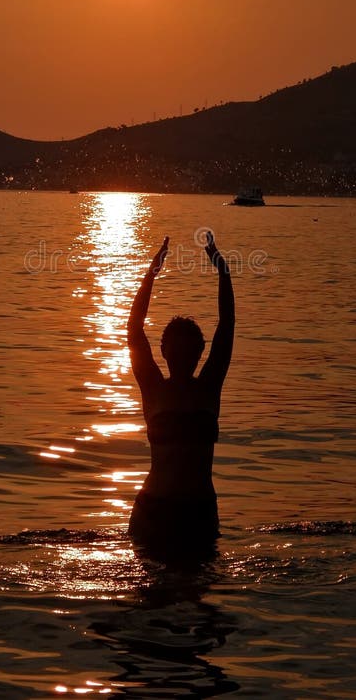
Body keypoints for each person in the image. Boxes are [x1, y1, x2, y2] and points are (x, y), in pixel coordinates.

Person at [127, 231, 235, 557]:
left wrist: (223, 270)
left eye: (189, 347)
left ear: (200, 351)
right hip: (154, 511)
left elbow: (227, 324)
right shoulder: (153, 387)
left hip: (199, 511)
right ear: (163, 350)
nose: (182, 353)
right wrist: (151, 274)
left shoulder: (209, 385)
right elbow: (134, 327)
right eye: (176, 346)